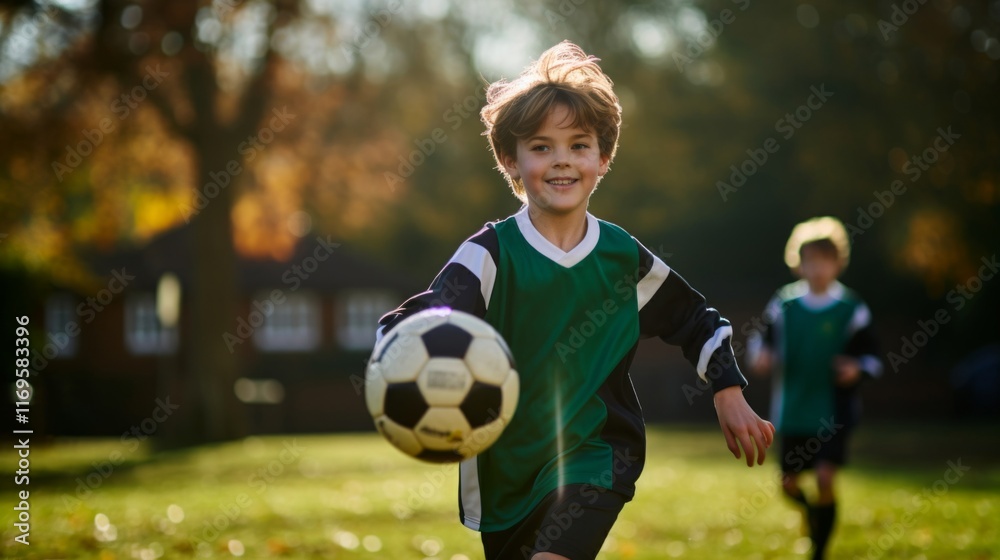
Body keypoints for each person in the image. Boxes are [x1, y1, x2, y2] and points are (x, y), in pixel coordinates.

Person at [376, 41, 774, 560]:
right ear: (510, 160)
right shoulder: (490, 254)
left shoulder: (621, 257)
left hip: (598, 454)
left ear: (602, 158)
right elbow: (421, 322)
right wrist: (394, 361)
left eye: (579, 145)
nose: (561, 159)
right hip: (506, 472)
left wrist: (728, 391)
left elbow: (693, 318)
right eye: (541, 147)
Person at [747, 216, 882, 560]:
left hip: (834, 411)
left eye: (825, 260)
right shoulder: (784, 304)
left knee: (824, 477)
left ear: (838, 263)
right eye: (811, 260)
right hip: (792, 409)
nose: (818, 268)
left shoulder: (851, 308)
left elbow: (874, 358)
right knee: (788, 483)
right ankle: (813, 516)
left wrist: (856, 368)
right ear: (798, 263)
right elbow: (761, 343)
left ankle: (819, 551)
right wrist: (761, 356)